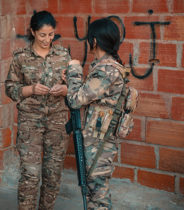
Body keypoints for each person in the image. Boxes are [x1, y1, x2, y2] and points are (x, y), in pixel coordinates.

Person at [5, 11, 71, 210]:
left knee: (53, 174)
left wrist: (66, 89)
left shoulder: (63, 55)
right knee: (30, 174)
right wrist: (31, 89)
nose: (47, 39)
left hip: (57, 122)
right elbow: (10, 88)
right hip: (30, 122)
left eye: (51, 35)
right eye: (42, 35)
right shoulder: (21, 57)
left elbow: (76, 87)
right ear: (33, 32)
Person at [65, 18, 128, 209]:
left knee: (97, 195)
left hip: (100, 144)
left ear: (94, 42)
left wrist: (74, 69)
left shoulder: (107, 70)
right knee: (94, 192)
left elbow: (76, 100)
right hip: (98, 140)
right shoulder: (106, 67)